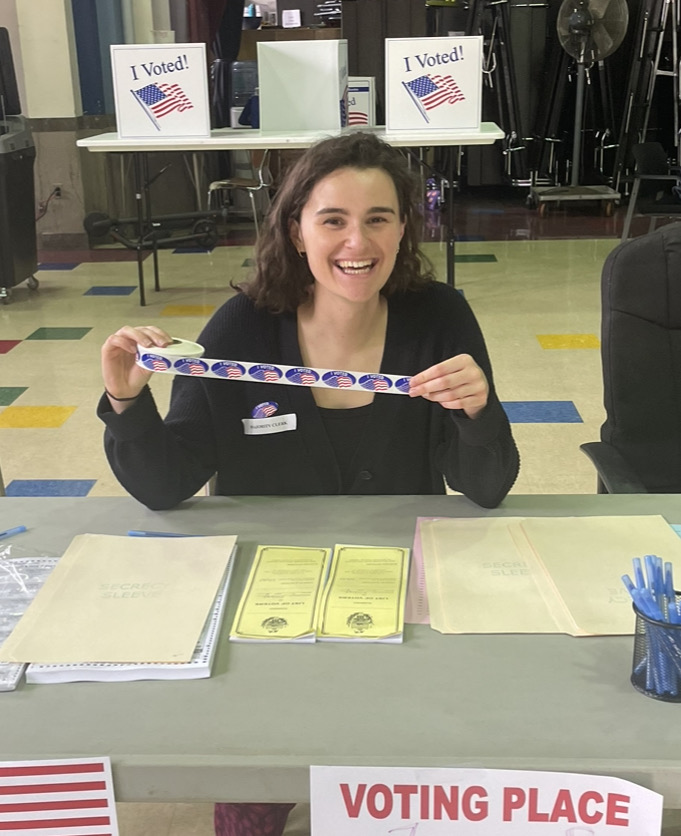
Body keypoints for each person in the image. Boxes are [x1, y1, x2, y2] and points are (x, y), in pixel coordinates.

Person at [98, 131, 520, 835]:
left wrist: (478, 413)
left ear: (402, 228)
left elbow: (484, 488)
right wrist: (124, 401)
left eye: (378, 218)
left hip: (398, 590)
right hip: (266, 599)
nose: (358, 241)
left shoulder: (438, 318)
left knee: (394, 785)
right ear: (295, 230)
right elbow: (166, 483)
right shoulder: (240, 329)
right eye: (332, 219)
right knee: (255, 786)